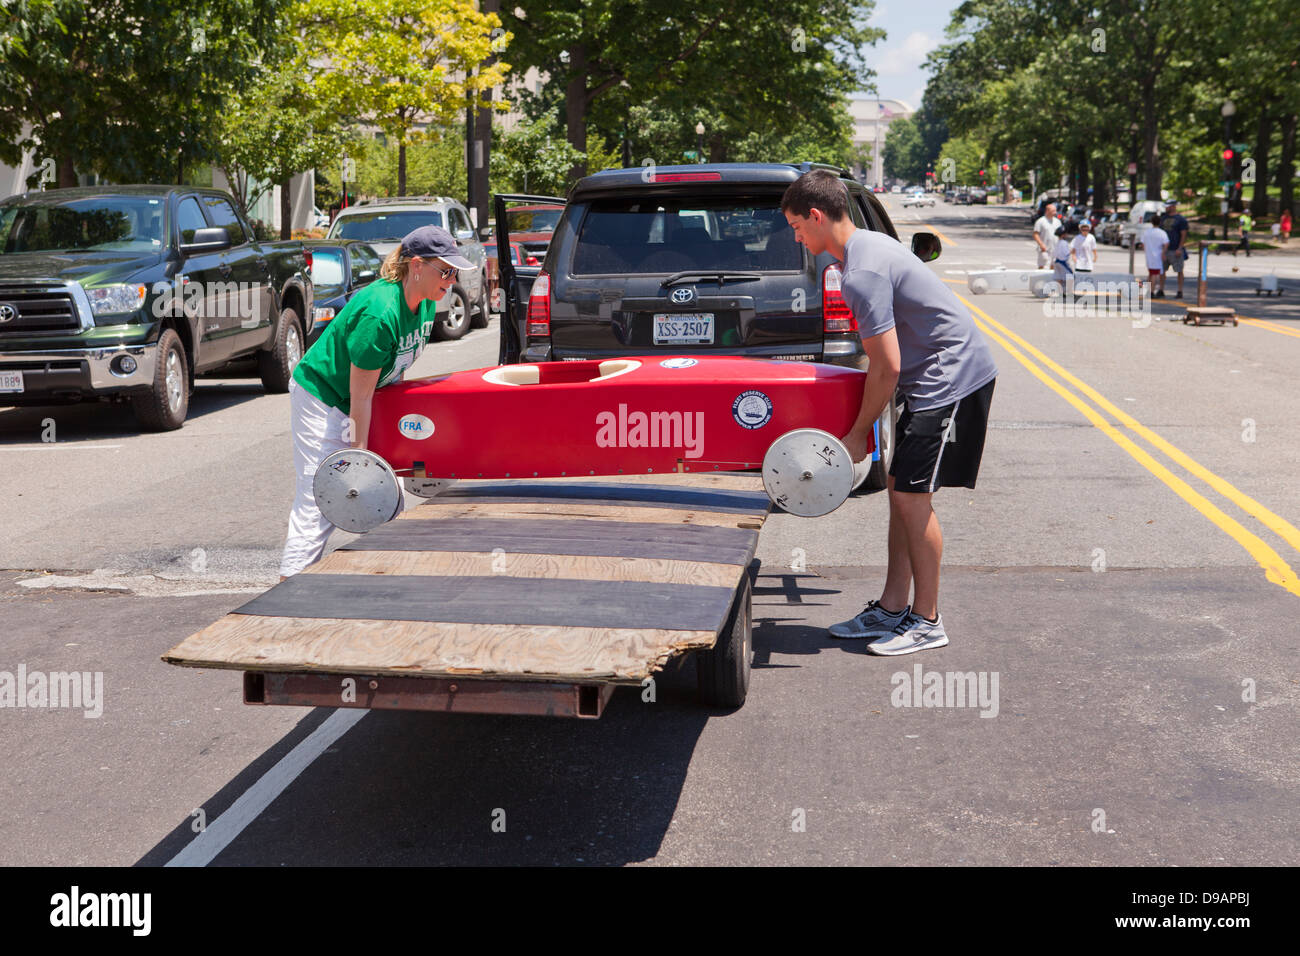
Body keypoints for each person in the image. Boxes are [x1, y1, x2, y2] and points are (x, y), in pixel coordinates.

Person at [781, 169, 998, 655]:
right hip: (930, 379)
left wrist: (859, 433)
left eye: (796, 226)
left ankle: (927, 620)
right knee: (902, 492)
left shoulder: (861, 272)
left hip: (951, 379)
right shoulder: (866, 248)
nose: (796, 236)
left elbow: (887, 366)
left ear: (816, 216)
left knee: (912, 498)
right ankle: (893, 608)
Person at [278, 225, 472, 578]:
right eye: (445, 270)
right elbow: (361, 396)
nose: (451, 278)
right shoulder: (379, 313)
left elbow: (391, 377)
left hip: (361, 398)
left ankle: (385, 581)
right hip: (322, 398)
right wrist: (359, 461)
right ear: (416, 266)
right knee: (321, 495)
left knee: (388, 493)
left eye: (454, 271)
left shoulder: (426, 305)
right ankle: (285, 592)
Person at [1159, 200, 1189, 298]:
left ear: (1173, 207)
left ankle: (1180, 291)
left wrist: (1180, 248)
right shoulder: (1162, 218)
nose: (1166, 208)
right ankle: (1161, 289)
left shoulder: (1181, 220)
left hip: (1175, 248)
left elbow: (1183, 234)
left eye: (1167, 206)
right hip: (1164, 249)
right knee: (1162, 270)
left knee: (1179, 270)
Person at [1142, 213, 1170, 297]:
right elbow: (1166, 243)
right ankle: (1151, 291)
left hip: (1149, 255)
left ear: (1151, 222)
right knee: (1154, 274)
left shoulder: (1147, 232)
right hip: (1157, 255)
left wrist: (1146, 251)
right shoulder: (1162, 233)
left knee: (1150, 273)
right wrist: (1163, 252)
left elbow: (1143, 243)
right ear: (1160, 222)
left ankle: (1146, 291)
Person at [1033, 202, 1058, 269]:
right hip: (1044, 248)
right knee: (1043, 266)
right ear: (1047, 211)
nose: (1055, 212)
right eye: (1053, 211)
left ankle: (1052, 279)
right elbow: (1035, 234)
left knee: (1053, 266)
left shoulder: (1057, 221)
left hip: (1055, 248)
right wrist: (1041, 244)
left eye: (1055, 210)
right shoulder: (1040, 221)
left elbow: (1060, 235)